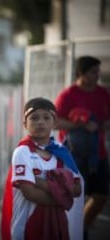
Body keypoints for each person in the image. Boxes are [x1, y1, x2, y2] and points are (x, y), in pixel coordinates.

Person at [1, 97, 82, 240]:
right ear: (25, 124)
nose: (40, 122)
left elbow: (77, 189)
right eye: (34, 118)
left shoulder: (62, 152)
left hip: (57, 225)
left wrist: (42, 184)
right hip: (27, 226)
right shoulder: (23, 152)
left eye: (46, 117)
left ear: (55, 123)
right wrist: (63, 196)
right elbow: (30, 193)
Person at [54, 56, 110, 239]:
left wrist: (100, 125)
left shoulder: (103, 93)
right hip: (74, 156)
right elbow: (55, 121)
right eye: (93, 72)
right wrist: (80, 124)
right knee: (74, 197)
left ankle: (82, 227)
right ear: (82, 73)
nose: (97, 76)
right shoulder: (68, 94)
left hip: (98, 154)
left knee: (102, 195)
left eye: (98, 72)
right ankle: (71, 231)